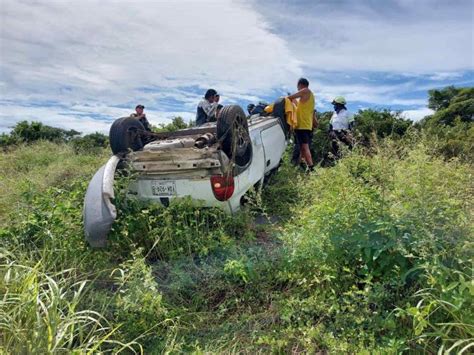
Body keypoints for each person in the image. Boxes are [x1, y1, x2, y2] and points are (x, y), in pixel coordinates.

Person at [287, 78, 315, 172]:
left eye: (298, 87)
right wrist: (293, 101)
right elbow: (296, 103)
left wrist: (288, 98)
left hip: (303, 125)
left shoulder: (306, 90)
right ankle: (303, 165)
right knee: (302, 147)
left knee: (304, 147)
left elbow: (290, 98)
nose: (298, 89)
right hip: (302, 125)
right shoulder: (305, 98)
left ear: (300, 85)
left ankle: (311, 168)